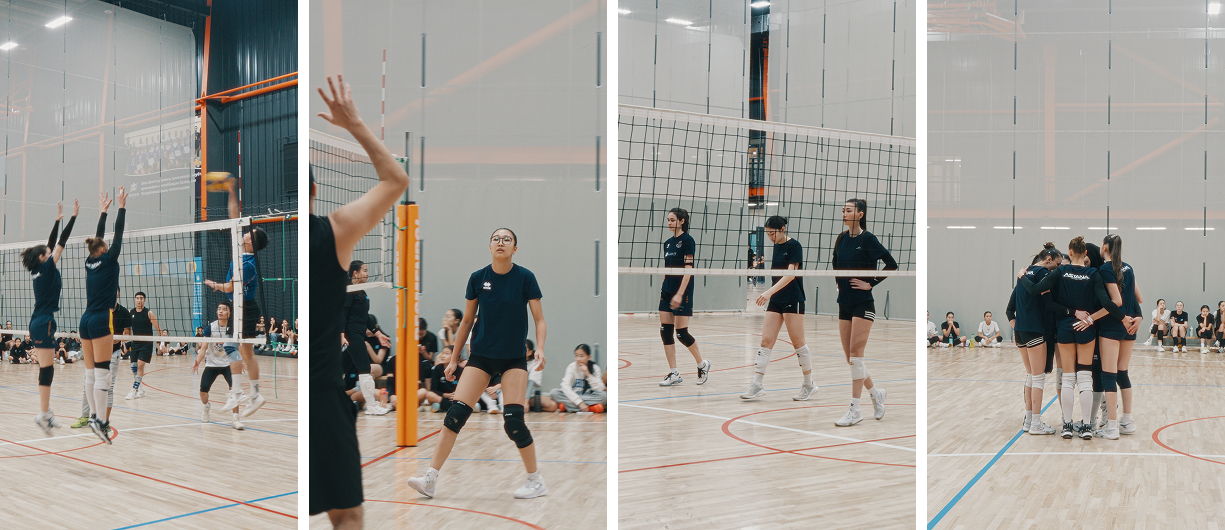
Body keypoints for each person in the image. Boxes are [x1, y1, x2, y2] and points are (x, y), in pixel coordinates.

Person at [310, 74, 409, 529]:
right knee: (347, 515)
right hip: (321, 395)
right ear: (314, 191)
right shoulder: (332, 232)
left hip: (312, 394)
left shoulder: (269, 243)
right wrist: (353, 124)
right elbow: (396, 178)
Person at [405, 227, 548, 500]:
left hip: (513, 359)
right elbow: (467, 321)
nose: (500, 242)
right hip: (481, 357)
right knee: (454, 415)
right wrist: (454, 358)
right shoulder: (477, 278)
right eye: (496, 239)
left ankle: (535, 480)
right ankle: (430, 479)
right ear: (490, 246)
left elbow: (539, 319)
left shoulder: (525, 278)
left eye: (507, 239)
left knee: (513, 423)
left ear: (515, 248)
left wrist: (539, 348)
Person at [1017, 236, 1125, 440]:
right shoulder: (1093, 273)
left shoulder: (1060, 272)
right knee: (1085, 378)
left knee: (1067, 378)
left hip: (1065, 329)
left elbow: (1035, 290)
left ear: (1070, 252)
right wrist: (1122, 318)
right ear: (1085, 254)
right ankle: (1086, 426)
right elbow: (1107, 302)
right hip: (1086, 328)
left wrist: (1022, 277)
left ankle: (1067, 425)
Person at [202, 177, 270, 418]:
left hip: (244, 308)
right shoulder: (242, 253)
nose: (245, 233)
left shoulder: (247, 264)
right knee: (247, 353)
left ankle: (238, 392)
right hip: (241, 307)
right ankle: (254, 394)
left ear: (251, 241)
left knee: (231, 346)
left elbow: (231, 287)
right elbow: (234, 219)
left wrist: (215, 285)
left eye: (249, 233)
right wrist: (232, 191)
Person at [831, 198, 897, 427]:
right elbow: (835, 262)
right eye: (843, 210)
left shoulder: (868, 239)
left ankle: (855, 409)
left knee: (856, 355)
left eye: (848, 210)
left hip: (863, 304)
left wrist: (871, 283)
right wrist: (838, 282)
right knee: (851, 359)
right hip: (844, 303)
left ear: (860, 214)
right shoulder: (841, 238)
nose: (844, 213)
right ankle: (876, 395)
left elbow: (891, 264)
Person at [742, 215, 814, 401]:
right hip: (777, 299)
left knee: (798, 343)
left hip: (793, 299)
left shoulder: (795, 246)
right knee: (766, 340)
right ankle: (757, 384)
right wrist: (772, 294)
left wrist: (767, 292)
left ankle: (809, 384)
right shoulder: (776, 246)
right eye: (767, 234)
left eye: (772, 233)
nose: (770, 237)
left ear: (782, 229)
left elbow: (790, 275)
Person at [24, 199, 78, 435]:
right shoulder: (46, 267)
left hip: (38, 321)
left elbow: (50, 244)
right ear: (43, 258)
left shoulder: (39, 269)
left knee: (47, 368)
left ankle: (45, 413)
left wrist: (57, 220)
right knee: (47, 369)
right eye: (48, 253)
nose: (52, 251)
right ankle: (43, 414)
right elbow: (60, 242)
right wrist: (73, 218)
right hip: (44, 321)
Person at [1079, 234, 1141, 439]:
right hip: (1130, 326)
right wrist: (1138, 316)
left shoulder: (1105, 269)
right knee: (1123, 373)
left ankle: (1112, 427)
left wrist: (1091, 318)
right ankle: (1127, 421)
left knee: (1108, 375)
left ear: (1105, 247)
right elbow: (1139, 297)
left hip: (1113, 326)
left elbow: (1116, 301)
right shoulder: (1128, 267)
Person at [78, 189, 127, 444]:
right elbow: (118, 234)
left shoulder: (90, 262)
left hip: (85, 320)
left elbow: (100, 238)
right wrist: (121, 207)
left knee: (90, 373)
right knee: (103, 374)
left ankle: (93, 418)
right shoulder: (109, 260)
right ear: (104, 249)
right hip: (100, 320)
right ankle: (100, 421)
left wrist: (103, 212)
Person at [656, 208, 711, 386]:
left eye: (672, 220)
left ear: (682, 221)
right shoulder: (667, 243)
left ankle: (702, 365)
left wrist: (680, 294)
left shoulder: (688, 241)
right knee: (665, 331)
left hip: (682, 292)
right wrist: (664, 289)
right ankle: (674, 373)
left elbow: (689, 270)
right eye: (668, 219)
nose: (669, 222)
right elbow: (667, 269)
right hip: (667, 291)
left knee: (681, 333)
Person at [1012, 243, 1063, 435]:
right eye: (1057, 264)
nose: (1058, 268)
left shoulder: (1024, 273)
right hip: (1035, 331)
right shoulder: (1042, 274)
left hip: (1020, 332)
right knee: (1038, 378)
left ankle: (1028, 421)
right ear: (1048, 259)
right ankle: (1036, 423)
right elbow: (1040, 295)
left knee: (1030, 376)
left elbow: (1011, 308)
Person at [342, 260, 389, 415]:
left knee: (338, 370)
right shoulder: (349, 290)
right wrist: (341, 334)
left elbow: (366, 316)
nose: (367, 273)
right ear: (355, 273)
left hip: (358, 334)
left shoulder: (361, 291)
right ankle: (372, 405)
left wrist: (378, 333)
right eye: (364, 270)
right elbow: (342, 313)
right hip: (351, 335)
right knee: (365, 369)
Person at [192, 302, 244, 430]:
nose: (220, 311)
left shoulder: (233, 328)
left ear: (229, 313)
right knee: (203, 391)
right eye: (219, 309)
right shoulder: (211, 327)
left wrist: (240, 361)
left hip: (229, 364)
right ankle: (206, 407)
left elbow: (239, 347)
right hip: (212, 363)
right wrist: (197, 361)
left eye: (224, 309)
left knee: (235, 389)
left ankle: (236, 419)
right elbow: (203, 348)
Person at [540, 344, 606, 412]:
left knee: (604, 396)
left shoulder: (595, 368)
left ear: (589, 357)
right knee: (554, 393)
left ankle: (566, 406)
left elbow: (600, 388)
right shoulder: (572, 367)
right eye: (576, 356)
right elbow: (565, 386)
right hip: (573, 395)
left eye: (581, 356)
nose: (578, 359)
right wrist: (580, 403)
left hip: (588, 396)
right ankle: (590, 408)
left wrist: (588, 374)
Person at [125, 291, 163, 400]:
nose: (139, 300)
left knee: (140, 365)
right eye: (137, 298)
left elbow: (158, 328)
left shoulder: (149, 313)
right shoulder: (130, 312)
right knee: (133, 366)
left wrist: (161, 343)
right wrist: (125, 342)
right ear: (134, 300)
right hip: (135, 343)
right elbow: (127, 330)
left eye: (141, 298)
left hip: (146, 343)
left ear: (144, 300)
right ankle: (141, 389)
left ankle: (134, 390)